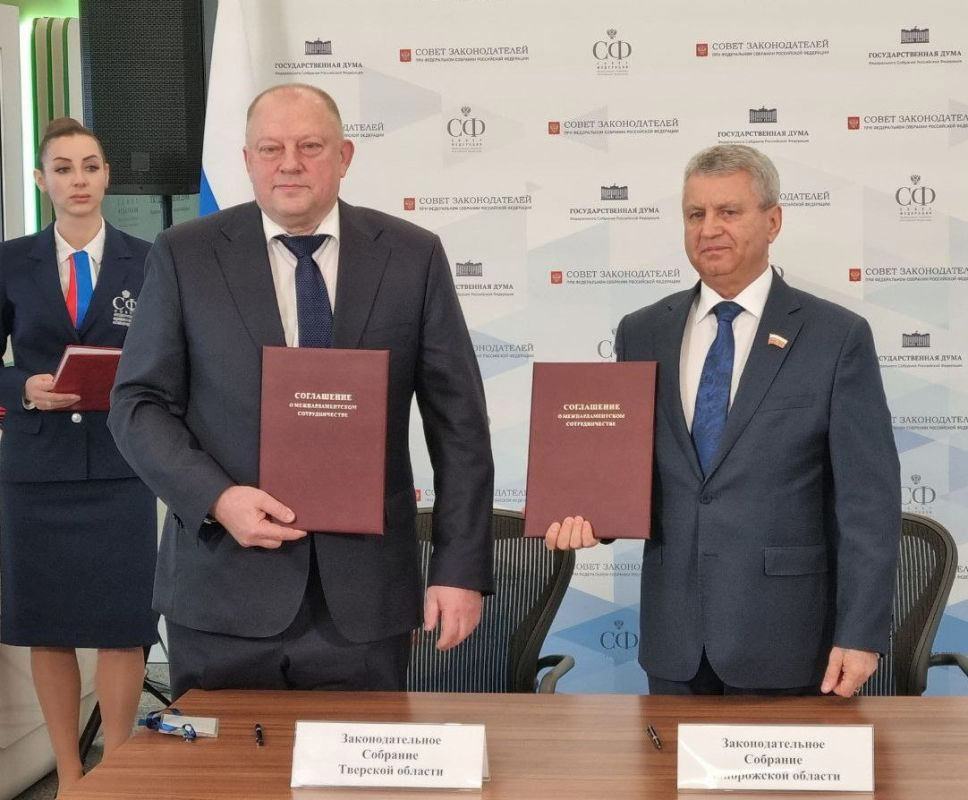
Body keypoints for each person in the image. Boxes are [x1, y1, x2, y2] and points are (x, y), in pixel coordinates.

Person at [108, 83, 494, 698]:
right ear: (247, 161)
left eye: (309, 146)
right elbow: (137, 406)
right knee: (221, 765)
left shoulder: (411, 256)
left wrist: (459, 569)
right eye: (271, 148)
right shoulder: (185, 255)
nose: (289, 163)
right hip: (222, 591)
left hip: (365, 602)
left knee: (356, 764)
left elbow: (460, 427)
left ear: (344, 156)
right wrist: (216, 498)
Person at [545, 144, 900, 697]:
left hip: (789, 640)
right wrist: (592, 514)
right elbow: (631, 469)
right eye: (695, 214)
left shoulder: (836, 337)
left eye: (728, 212)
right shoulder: (642, 332)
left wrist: (861, 634)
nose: (709, 228)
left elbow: (868, 501)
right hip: (675, 639)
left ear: (773, 221)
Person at [0, 118, 157, 793]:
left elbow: (171, 358)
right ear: (42, 180)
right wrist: (22, 388)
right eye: (63, 168)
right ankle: (69, 775)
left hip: (123, 466)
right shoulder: (10, 261)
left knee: (124, 625)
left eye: (90, 166)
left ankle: (115, 771)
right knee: (50, 626)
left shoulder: (148, 260)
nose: (78, 180)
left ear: (106, 175)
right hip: (37, 473)